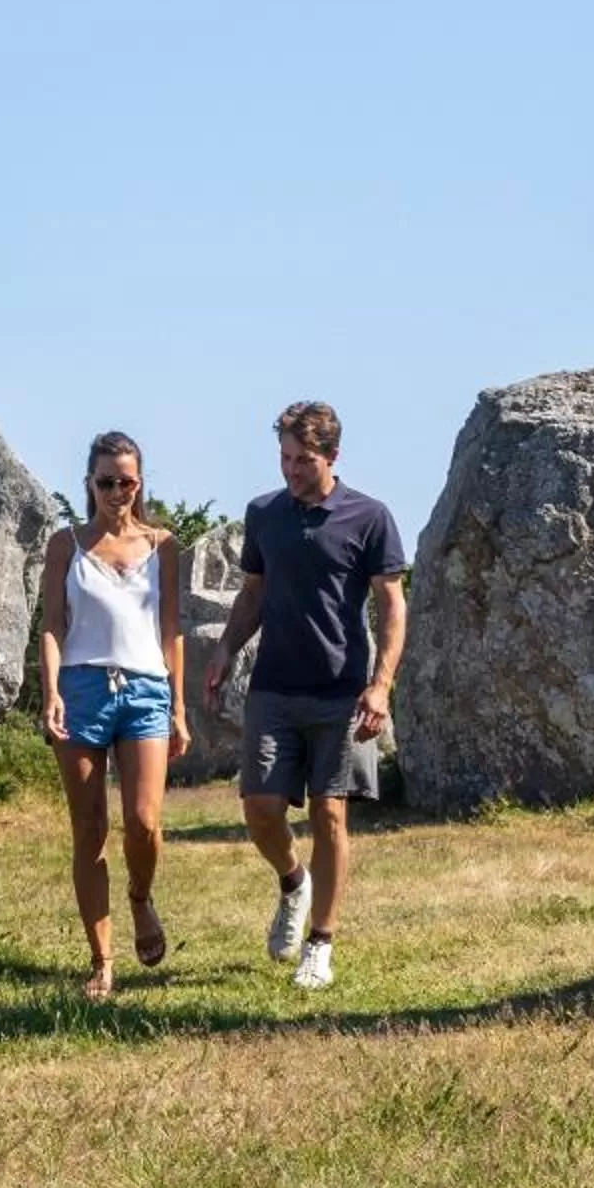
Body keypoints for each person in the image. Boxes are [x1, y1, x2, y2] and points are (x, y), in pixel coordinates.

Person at [204, 401, 408, 991]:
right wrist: (225, 649)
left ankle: (320, 943)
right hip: (273, 685)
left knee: (329, 812)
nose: (292, 471)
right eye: (285, 459)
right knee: (261, 809)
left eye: (304, 460)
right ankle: (295, 883)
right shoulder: (264, 514)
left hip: (343, 691)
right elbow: (253, 594)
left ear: (332, 457)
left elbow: (392, 604)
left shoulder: (369, 517)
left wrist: (381, 684)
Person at [36, 431, 193, 1001]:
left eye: (126, 481)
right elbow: (52, 625)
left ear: (140, 483)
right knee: (89, 829)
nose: (116, 492)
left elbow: (171, 630)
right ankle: (102, 959)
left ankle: (140, 897)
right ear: (89, 484)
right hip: (81, 688)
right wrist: (50, 690)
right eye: (106, 482)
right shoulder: (66, 545)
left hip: (147, 687)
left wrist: (178, 706)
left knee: (145, 822)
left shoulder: (164, 545)